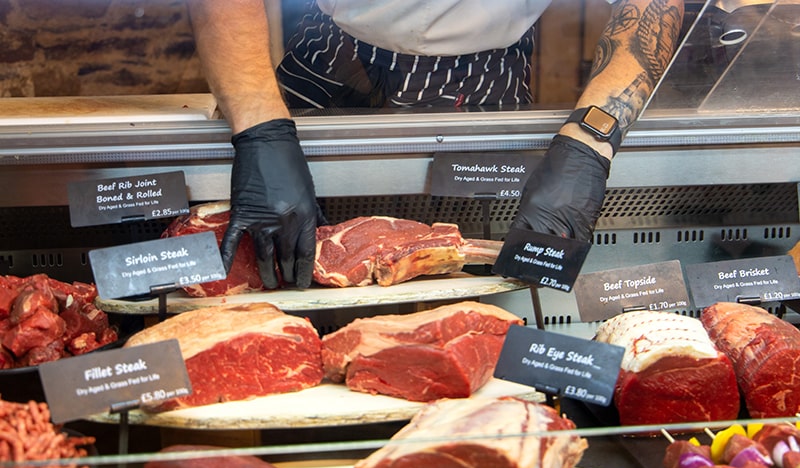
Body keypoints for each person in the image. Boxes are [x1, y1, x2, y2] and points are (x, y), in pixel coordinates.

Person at [186, 0, 685, 289]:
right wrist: (261, 129)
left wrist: (589, 144)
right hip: (333, 54)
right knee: (291, 259)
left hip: (488, 69)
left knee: (469, 278)